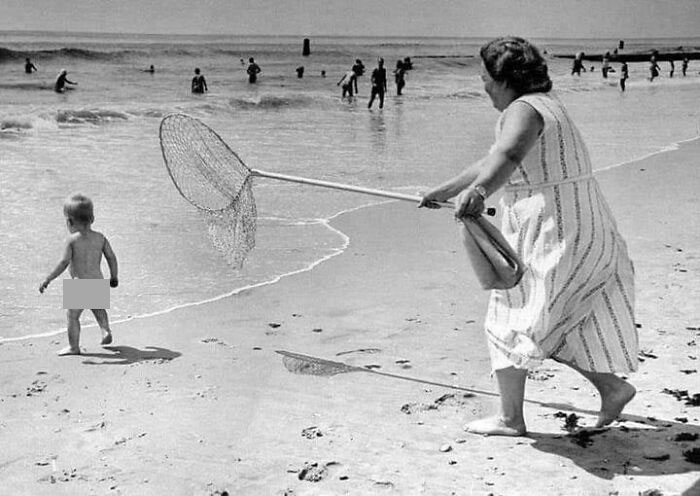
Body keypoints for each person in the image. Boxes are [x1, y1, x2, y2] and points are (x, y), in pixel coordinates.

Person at [419, 36, 638, 437]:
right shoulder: (547, 104)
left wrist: (480, 192)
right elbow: (495, 157)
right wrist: (448, 190)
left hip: (555, 229)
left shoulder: (522, 109)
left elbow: (506, 159)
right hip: (584, 220)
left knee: (509, 318)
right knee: (557, 321)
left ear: (504, 79)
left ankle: (510, 419)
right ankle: (612, 388)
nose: (482, 85)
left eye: (486, 78)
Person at [39, 194, 119, 356]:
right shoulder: (100, 238)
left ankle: (74, 347)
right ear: (93, 218)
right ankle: (105, 330)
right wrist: (114, 276)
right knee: (99, 310)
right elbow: (111, 257)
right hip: (97, 282)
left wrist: (48, 278)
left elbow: (63, 263)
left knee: (72, 316)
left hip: (79, 284)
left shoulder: (72, 240)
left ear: (69, 222)